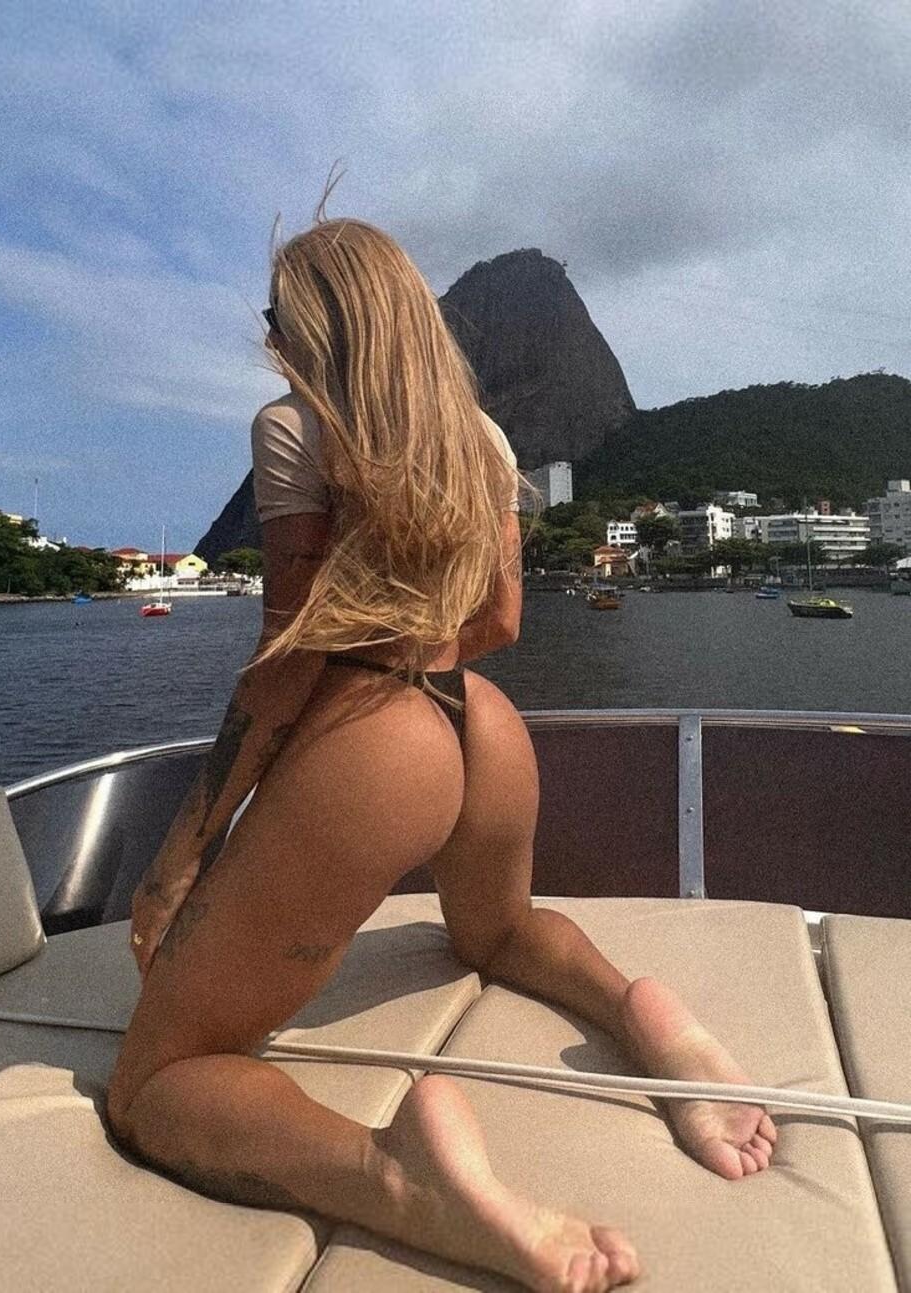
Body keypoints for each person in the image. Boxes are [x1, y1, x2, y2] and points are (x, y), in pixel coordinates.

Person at [106, 206, 776, 1293]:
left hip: (376, 742)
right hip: (481, 720)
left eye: (278, 317)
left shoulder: (294, 428)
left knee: (154, 1080)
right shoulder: (486, 443)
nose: (268, 340)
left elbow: (285, 661)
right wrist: (424, 682)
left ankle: (398, 1176)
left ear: (317, 328)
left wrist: (182, 851)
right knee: (498, 931)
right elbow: (501, 622)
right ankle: (644, 1018)